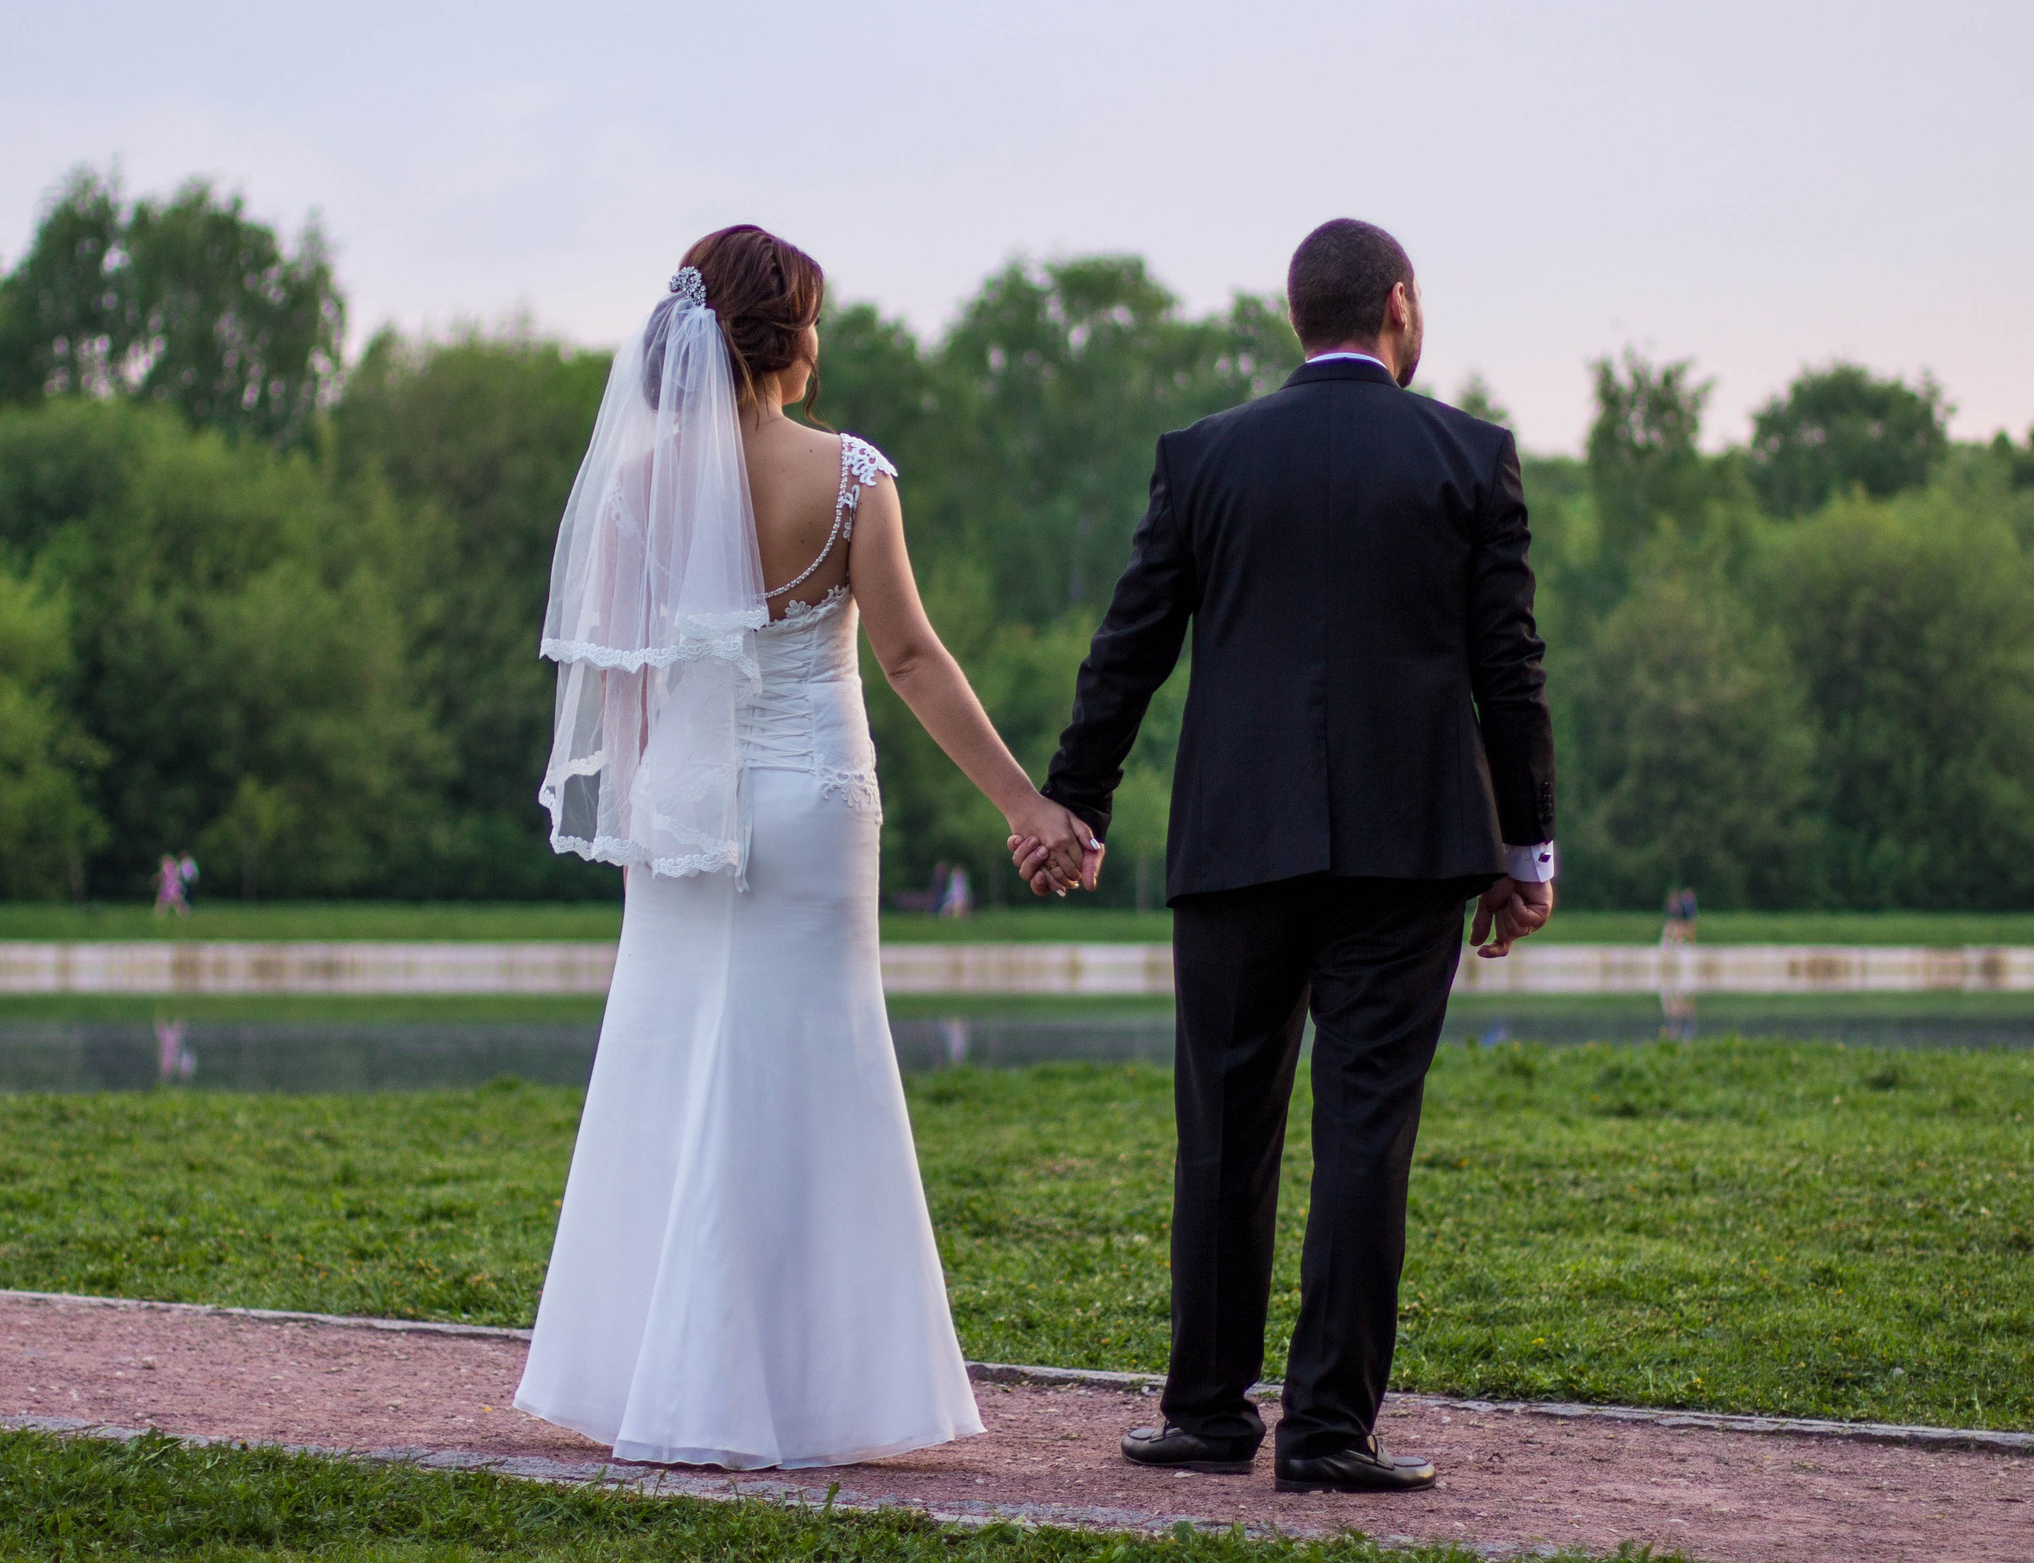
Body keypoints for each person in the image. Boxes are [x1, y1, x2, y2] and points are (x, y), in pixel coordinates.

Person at [514, 226, 1096, 1470]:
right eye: (813, 317)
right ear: (786, 338)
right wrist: (1024, 804)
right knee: (812, 1071)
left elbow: (625, 684)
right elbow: (910, 658)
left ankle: (655, 1377)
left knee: (674, 1065)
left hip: (683, 812)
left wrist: (660, 805)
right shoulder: (849, 475)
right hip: (814, 801)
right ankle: (812, 1388)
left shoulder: (634, 488)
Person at [1015, 219, 1556, 1495]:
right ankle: (1327, 1430)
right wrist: (1523, 845)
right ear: (1399, 307)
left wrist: (1074, 797)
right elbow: (1509, 668)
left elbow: (1130, 642)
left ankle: (1206, 1413)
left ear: (1295, 314)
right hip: (1409, 847)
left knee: (1222, 1126)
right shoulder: (1469, 455)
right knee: (1366, 1131)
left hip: (1235, 839)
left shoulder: (1204, 455)